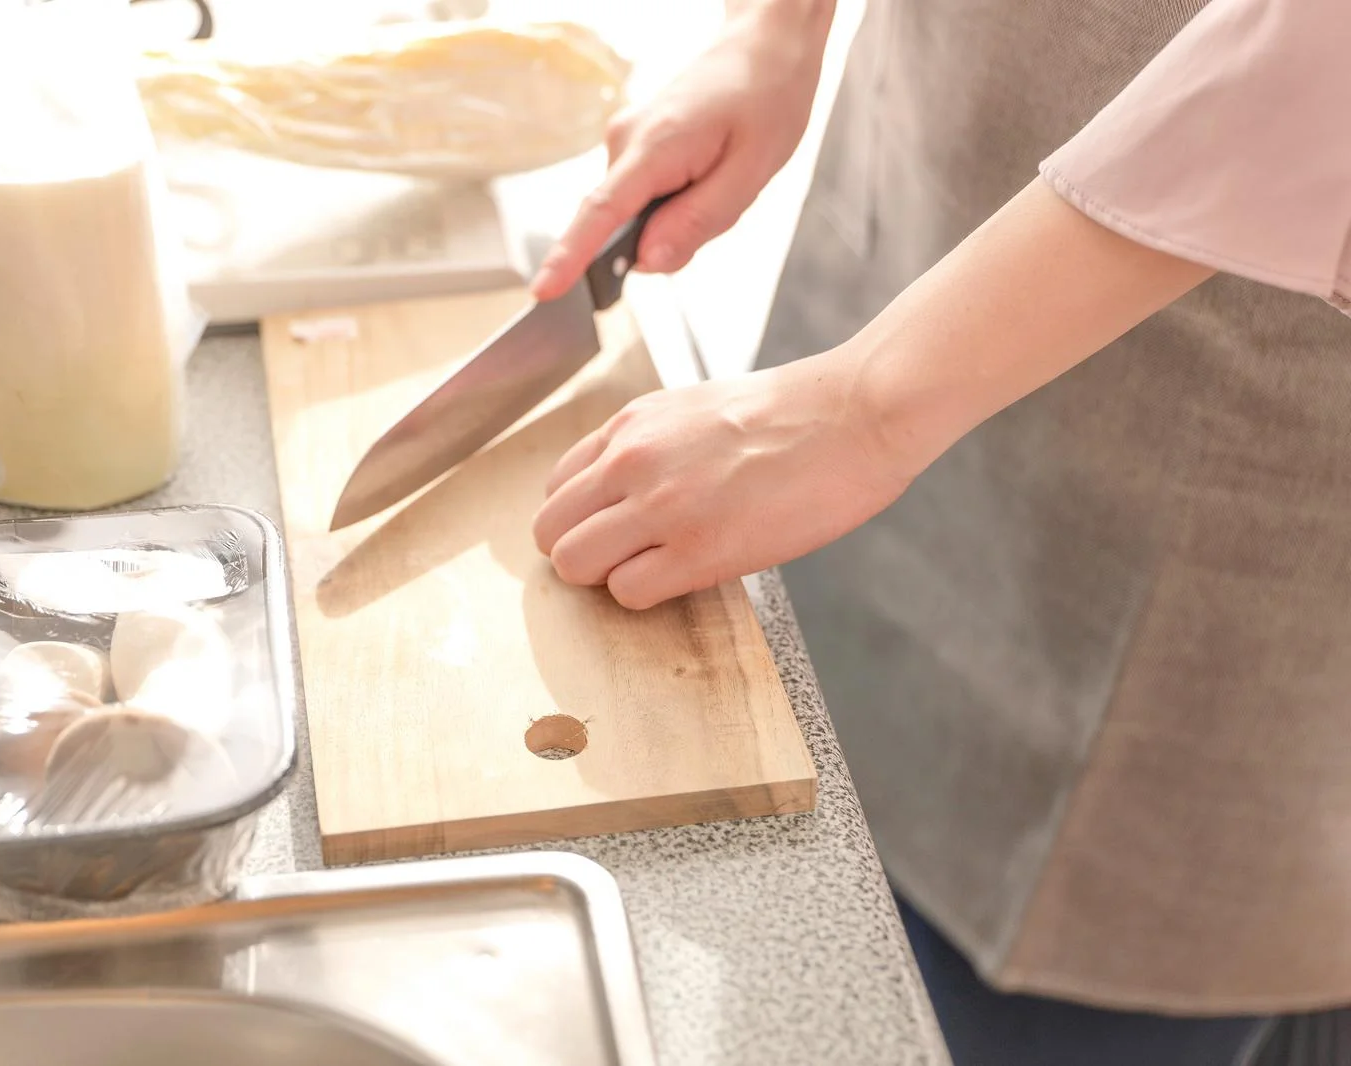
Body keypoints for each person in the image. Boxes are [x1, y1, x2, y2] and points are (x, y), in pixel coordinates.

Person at [528, 0, 1351, 1062]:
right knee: (795, 820)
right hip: (930, 153)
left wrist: (868, 405)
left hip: (1235, 364)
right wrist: (778, 28)